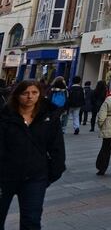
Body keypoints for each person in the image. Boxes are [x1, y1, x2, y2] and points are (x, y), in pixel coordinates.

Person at [0, 79, 65, 229]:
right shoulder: (4, 117)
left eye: (34, 93)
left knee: (31, 221)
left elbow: (57, 148)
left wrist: (52, 173)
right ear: (17, 95)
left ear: (40, 94)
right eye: (25, 93)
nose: (30, 97)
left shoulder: (48, 118)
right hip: (4, 177)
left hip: (35, 178)